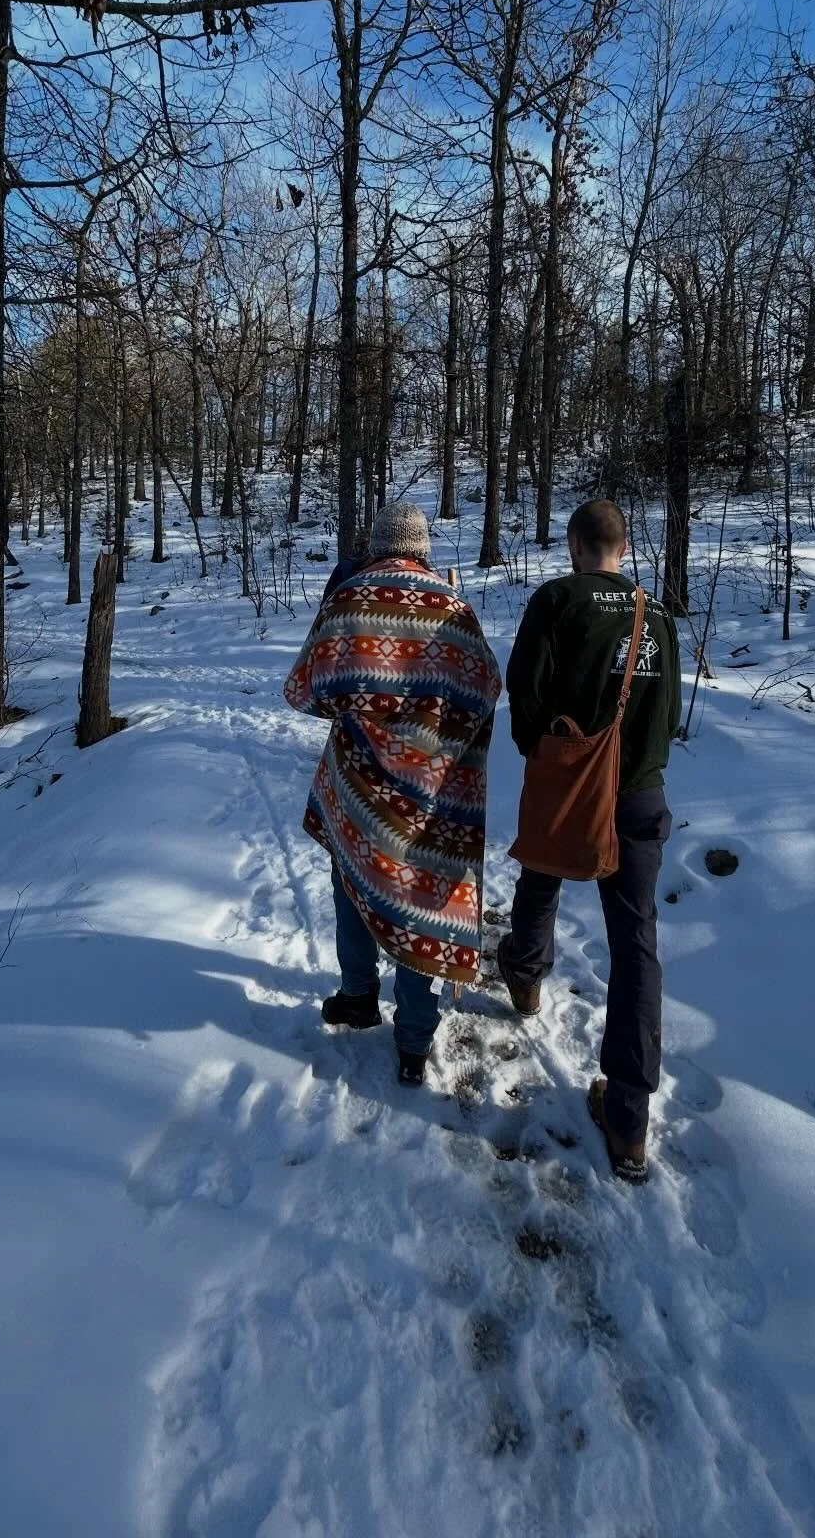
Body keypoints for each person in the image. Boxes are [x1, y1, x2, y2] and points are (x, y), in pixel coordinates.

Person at [284, 502, 501, 1085]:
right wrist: (433, 730)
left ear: (378, 544)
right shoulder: (453, 607)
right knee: (420, 898)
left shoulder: (350, 599)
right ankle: (413, 1038)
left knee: (352, 881)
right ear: (423, 547)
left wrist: (361, 707)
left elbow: (304, 690)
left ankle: (358, 995)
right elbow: (485, 690)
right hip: (433, 792)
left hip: (358, 787)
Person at [497, 498, 681, 1181]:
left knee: (542, 870)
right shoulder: (656, 614)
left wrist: (543, 754)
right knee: (636, 945)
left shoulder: (558, 600)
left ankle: (523, 975)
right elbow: (672, 713)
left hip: (572, 777)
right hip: (641, 793)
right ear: (624, 550)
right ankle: (629, 1122)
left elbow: (525, 689)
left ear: (574, 545)